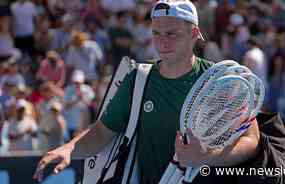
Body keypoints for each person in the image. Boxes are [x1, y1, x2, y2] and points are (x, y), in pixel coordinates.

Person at [33, 1, 260, 183]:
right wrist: (70, 149)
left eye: (172, 34)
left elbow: (251, 139)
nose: (162, 42)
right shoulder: (138, 79)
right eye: (156, 34)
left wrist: (206, 157)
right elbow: (102, 133)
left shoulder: (219, 80)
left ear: (194, 34)